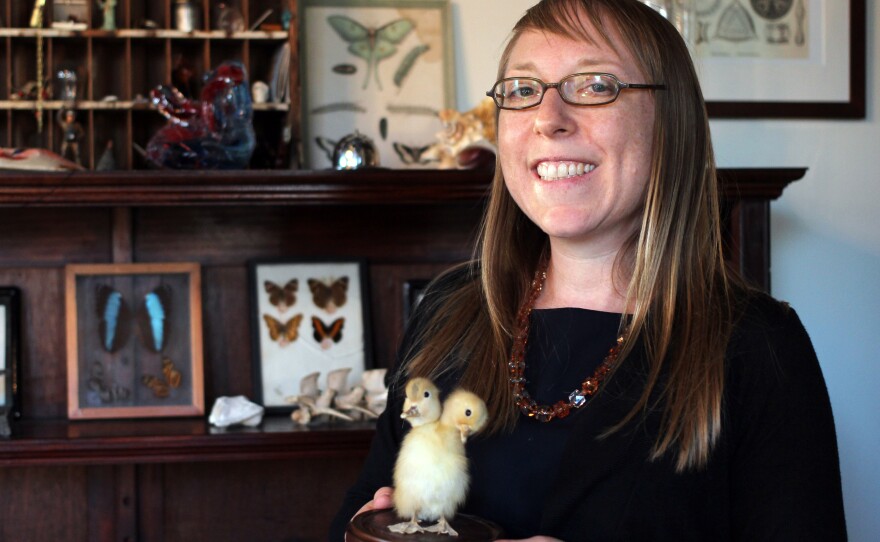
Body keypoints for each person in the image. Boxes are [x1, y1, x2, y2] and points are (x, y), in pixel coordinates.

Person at [329, 0, 847, 540]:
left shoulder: (757, 346)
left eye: (596, 85)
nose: (548, 120)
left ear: (670, 121)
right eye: (524, 90)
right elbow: (355, 518)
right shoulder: (449, 311)